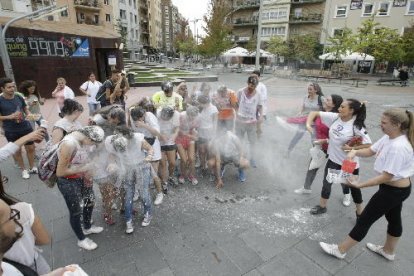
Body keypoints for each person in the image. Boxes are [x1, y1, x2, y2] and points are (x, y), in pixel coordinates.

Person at [319, 108, 414, 261]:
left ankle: (340, 250)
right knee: (394, 219)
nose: (380, 125)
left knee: (365, 219)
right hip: (395, 189)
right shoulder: (389, 137)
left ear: (397, 125)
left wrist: (360, 185)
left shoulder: (398, 147)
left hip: (392, 191)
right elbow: (370, 150)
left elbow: (386, 176)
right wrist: (354, 151)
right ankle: (388, 252)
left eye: (384, 122)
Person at [306, 99, 372, 216]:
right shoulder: (335, 117)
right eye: (340, 106)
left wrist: (351, 149)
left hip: (348, 163)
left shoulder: (356, 126)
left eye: (342, 107)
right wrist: (308, 125)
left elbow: (369, 144)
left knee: (353, 187)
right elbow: (314, 113)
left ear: (351, 110)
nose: (339, 109)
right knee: (327, 183)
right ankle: (322, 206)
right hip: (333, 160)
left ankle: (360, 212)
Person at [56, 126, 105, 250]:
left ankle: (87, 227)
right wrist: (84, 168)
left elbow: (85, 157)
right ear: (88, 137)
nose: (92, 145)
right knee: (76, 211)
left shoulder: (84, 139)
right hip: (68, 182)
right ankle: (81, 239)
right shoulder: (69, 144)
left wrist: (89, 171)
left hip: (82, 177)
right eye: (92, 142)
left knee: (90, 201)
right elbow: (60, 172)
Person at [105, 126, 154, 234]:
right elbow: (111, 155)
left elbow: (150, 148)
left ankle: (148, 213)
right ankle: (128, 220)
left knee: (143, 193)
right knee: (128, 194)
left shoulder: (137, 138)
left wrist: (149, 156)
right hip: (126, 168)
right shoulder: (111, 141)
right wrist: (112, 163)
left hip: (142, 166)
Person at [294, 94, 346, 195]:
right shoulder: (321, 112)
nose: (325, 100)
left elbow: (338, 137)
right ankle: (306, 188)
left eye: (328, 100)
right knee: (312, 167)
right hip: (320, 147)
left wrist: (325, 140)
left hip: (334, 149)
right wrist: (290, 120)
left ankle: (346, 194)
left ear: (334, 104)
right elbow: (310, 116)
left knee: (340, 173)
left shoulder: (336, 118)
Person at [1, 179, 51, 274]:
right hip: (35, 266)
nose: (14, 219)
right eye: (11, 216)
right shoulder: (22, 210)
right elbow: (44, 239)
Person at [0, 78, 37, 179]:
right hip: (11, 130)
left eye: (13, 86)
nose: (12, 89)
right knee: (17, 150)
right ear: (2, 88)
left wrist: (30, 115)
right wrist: (9, 117)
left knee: (31, 147)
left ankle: (32, 167)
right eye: (9, 87)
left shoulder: (18, 96)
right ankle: (23, 170)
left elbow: (25, 109)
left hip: (25, 127)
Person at [129, 106, 164, 205]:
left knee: (153, 172)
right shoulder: (133, 117)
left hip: (153, 142)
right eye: (136, 119)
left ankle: (159, 193)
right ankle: (137, 191)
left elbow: (157, 134)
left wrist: (144, 125)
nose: (138, 121)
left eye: (140, 118)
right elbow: (133, 132)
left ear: (144, 114)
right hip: (140, 144)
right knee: (136, 168)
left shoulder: (150, 116)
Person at [286, 82, 324, 157]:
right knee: (297, 136)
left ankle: (316, 155)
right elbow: (303, 108)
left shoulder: (321, 98)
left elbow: (324, 110)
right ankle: (288, 151)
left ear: (316, 90)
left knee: (313, 139)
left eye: (310, 89)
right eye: (308, 89)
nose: (308, 91)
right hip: (304, 120)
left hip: (314, 122)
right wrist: (299, 113)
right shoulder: (305, 97)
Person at [235, 76, 263, 174]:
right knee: (239, 141)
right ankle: (239, 158)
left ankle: (252, 158)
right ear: (247, 82)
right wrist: (237, 114)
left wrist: (260, 116)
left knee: (252, 142)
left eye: (254, 86)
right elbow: (236, 104)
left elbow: (260, 106)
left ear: (256, 85)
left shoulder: (258, 94)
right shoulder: (240, 92)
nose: (251, 87)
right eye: (250, 84)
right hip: (240, 122)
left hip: (251, 123)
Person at [176, 105, 200, 185]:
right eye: (191, 116)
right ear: (187, 113)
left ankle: (191, 175)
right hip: (180, 138)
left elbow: (194, 129)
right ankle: (182, 175)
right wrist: (181, 132)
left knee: (191, 159)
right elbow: (175, 128)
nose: (192, 118)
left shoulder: (197, 118)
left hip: (189, 137)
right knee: (184, 159)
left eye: (194, 117)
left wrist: (194, 134)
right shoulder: (181, 116)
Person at [157, 106, 180, 190]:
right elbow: (153, 128)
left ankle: (170, 176)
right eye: (163, 117)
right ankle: (164, 182)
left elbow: (177, 128)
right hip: (160, 141)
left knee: (172, 163)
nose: (164, 119)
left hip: (170, 140)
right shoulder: (157, 114)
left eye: (166, 118)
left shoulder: (176, 115)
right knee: (162, 163)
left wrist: (175, 135)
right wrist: (160, 135)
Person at [197, 95, 218, 178]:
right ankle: (203, 167)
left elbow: (215, 123)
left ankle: (212, 170)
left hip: (210, 133)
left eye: (201, 104)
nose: (200, 105)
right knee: (202, 151)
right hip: (201, 132)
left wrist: (214, 136)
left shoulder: (213, 109)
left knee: (210, 152)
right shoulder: (199, 108)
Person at [251, 70, 268, 138]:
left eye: (256, 77)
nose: (254, 78)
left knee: (258, 124)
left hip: (259, 108)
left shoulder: (262, 86)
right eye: (252, 77)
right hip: (251, 108)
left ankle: (258, 137)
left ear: (259, 77)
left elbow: (264, 98)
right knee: (252, 124)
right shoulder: (251, 84)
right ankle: (254, 136)